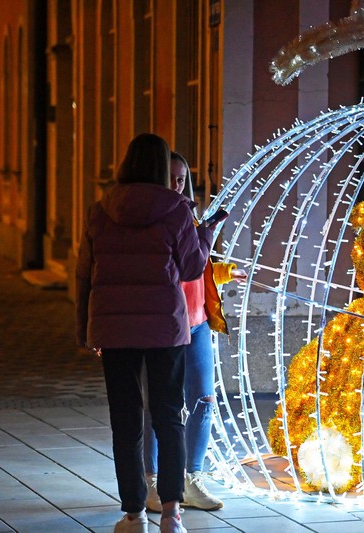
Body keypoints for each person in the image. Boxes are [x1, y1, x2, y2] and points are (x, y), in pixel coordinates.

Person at [76, 134, 215, 533]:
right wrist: (205, 234)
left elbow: (84, 273)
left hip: (113, 326)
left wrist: (82, 329)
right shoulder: (176, 210)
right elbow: (190, 269)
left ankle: (134, 514)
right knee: (169, 417)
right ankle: (171, 515)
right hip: (164, 329)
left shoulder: (100, 211)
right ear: (159, 168)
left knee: (125, 420)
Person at [142, 151, 246, 513]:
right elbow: (179, 264)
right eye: (170, 178)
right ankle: (153, 481)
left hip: (198, 321)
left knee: (204, 399)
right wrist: (205, 235)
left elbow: (197, 265)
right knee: (161, 405)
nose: (176, 185)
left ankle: (192, 478)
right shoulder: (152, 220)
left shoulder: (188, 215)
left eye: (182, 179)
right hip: (166, 324)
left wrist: (225, 270)